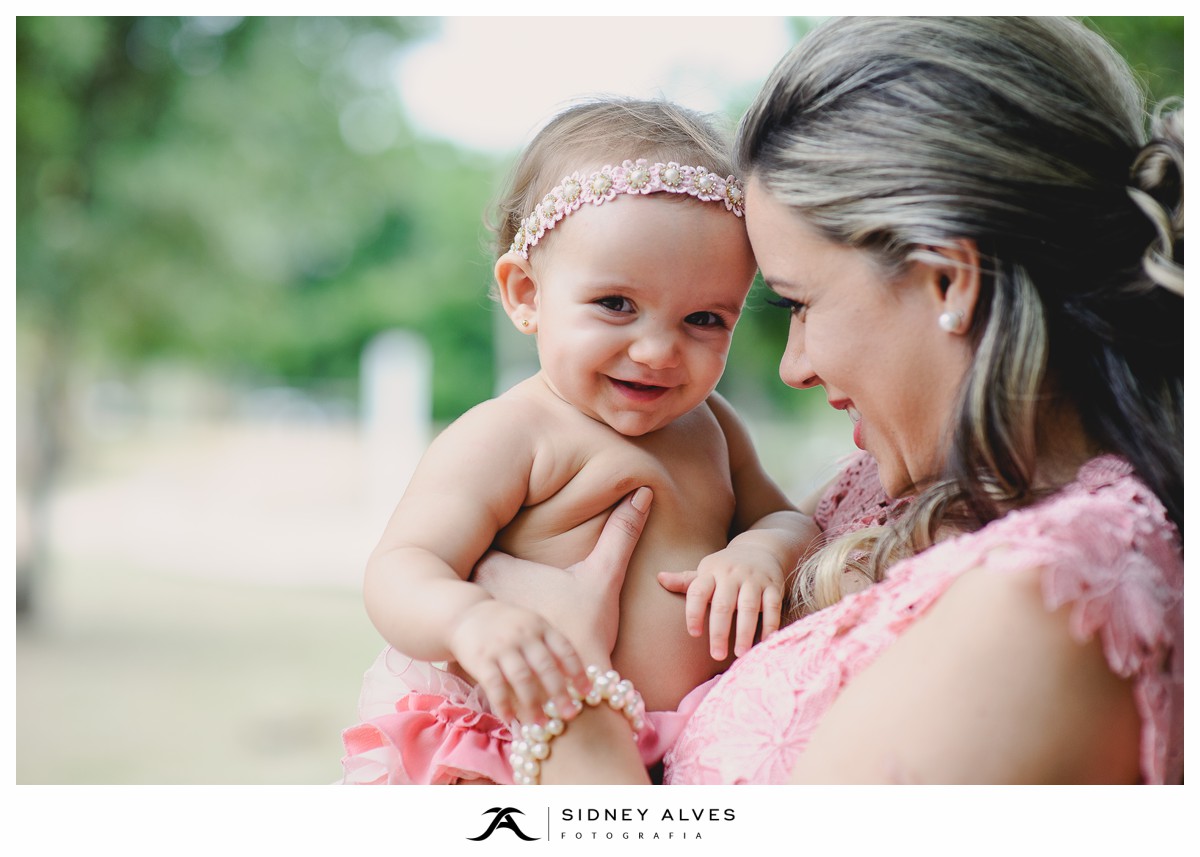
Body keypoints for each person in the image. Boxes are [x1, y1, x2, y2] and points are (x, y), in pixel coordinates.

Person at [476, 16, 1183, 785]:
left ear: (949, 279)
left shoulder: (1044, 605)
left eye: (796, 303)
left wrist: (567, 693)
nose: (793, 367)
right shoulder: (885, 489)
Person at [339, 98, 819, 785]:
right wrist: (470, 622)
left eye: (704, 318)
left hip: (673, 745)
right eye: (616, 305)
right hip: (524, 747)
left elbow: (789, 517)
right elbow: (401, 566)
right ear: (527, 293)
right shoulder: (511, 433)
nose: (657, 350)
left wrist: (760, 549)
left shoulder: (712, 424)